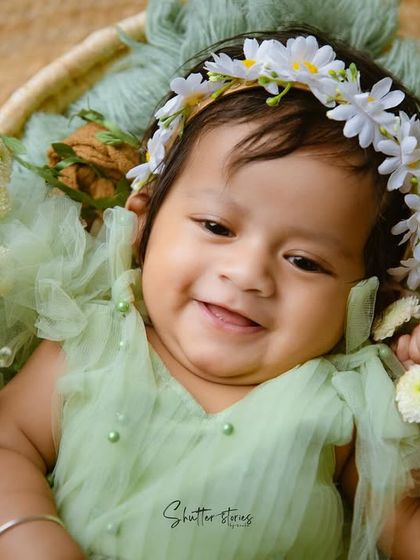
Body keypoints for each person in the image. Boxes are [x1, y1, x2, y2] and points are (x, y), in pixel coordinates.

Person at [1, 26, 420, 560]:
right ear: (144, 223)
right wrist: (27, 532)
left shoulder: (348, 403)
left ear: (369, 297)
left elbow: (403, 527)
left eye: (304, 261)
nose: (248, 275)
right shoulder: (93, 343)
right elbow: (6, 441)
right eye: (218, 228)